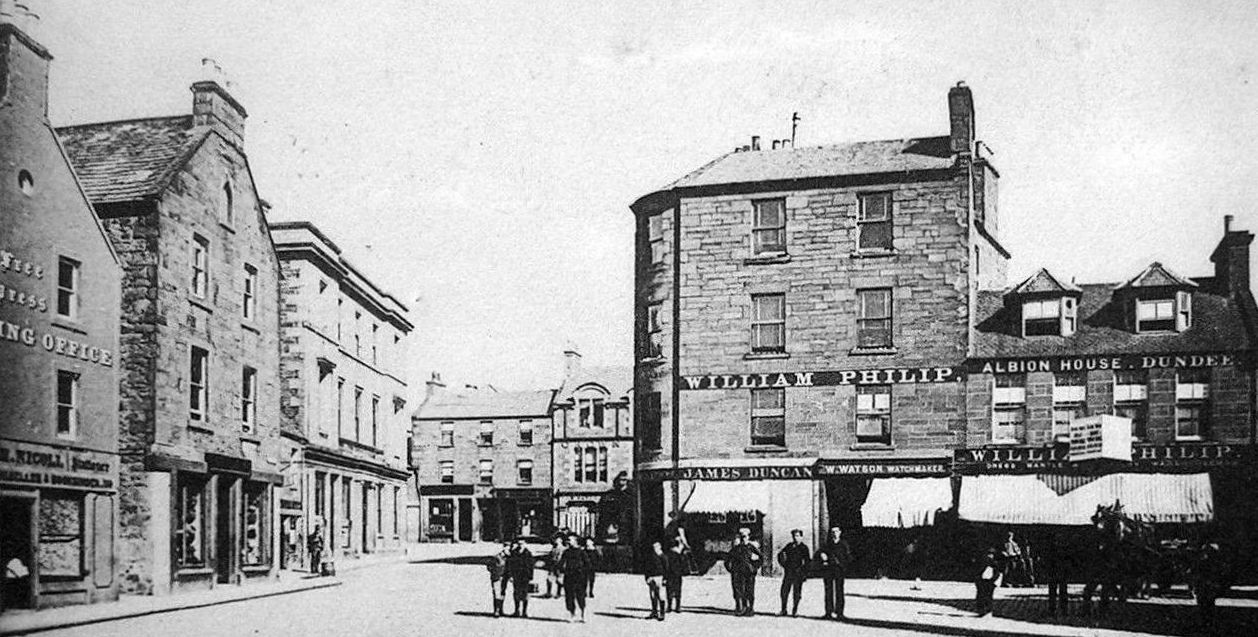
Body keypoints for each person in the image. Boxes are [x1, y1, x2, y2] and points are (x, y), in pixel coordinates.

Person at [816, 526, 853, 621]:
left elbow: (849, 557)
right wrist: (822, 555)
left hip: (839, 570)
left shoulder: (844, 544)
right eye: (832, 532)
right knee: (828, 591)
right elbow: (819, 553)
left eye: (836, 531)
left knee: (839, 591)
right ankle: (828, 612)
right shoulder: (827, 544)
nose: (834, 533)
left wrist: (843, 565)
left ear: (840, 532)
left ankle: (840, 613)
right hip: (828, 569)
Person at [725, 527, 762, 616]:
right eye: (742, 537)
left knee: (749, 590)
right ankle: (740, 608)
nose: (743, 539)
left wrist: (754, 568)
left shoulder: (752, 548)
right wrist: (731, 570)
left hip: (749, 572)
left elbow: (760, 559)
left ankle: (750, 609)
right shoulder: (736, 549)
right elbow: (727, 560)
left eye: (745, 537)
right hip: (738, 573)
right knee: (738, 590)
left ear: (748, 537)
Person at [1194, 542, 1229, 629]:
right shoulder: (1211, 563)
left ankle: (1206, 622)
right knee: (1206, 605)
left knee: (1205, 605)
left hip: (1206, 588)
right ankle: (1207, 622)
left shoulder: (1205, 563)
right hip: (1206, 588)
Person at [558, 534, 592, 622]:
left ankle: (583, 614)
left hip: (580, 578)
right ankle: (572, 614)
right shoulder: (566, 552)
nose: (568, 541)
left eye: (570, 540)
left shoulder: (581, 552)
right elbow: (561, 564)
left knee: (580, 596)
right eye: (568, 540)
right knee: (569, 596)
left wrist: (584, 575)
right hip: (569, 577)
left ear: (575, 541)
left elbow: (588, 565)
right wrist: (560, 574)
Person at [777, 529, 811, 616]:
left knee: (797, 593)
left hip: (798, 573)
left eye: (798, 536)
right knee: (784, 591)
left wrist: (804, 573)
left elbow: (807, 562)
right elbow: (781, 554)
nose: (796, 538)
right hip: (789, 572)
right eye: (794, 536)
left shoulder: (804, 548)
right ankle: (783, 609)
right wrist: (783, 565)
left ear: (801, 537)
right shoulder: (789, 546)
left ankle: (795, 610)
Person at [1041, 532, 1069, 616]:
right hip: (1054, 573)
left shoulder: (1061, 550)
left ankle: (1062, 609)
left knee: (1061, 592)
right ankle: (1054, 609)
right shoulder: (1053, 550)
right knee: (1055, 592)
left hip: (1059, 573)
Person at [506, 538, 534, 617]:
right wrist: (510, 575)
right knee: (516, 593)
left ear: (525, 544)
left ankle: (524, 612)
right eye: (519, 543)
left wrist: (530, 577)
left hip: (525, 577)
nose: (520, 545)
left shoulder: (528, 553)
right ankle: (516, 611)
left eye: (522, 543)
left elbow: (531, 566)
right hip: (516, 576)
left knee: (525, 594)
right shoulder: (514, 553)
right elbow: (510, 565)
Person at [642, 540, 668, 621]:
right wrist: (647, 577)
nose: (654, 549)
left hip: (660, 577)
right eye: (653, 547)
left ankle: (662, 613)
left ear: (660, 547)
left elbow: (666, 568)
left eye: (656, 547)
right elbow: (646, 568)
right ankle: (654, 612)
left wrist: (665, 578)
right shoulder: (649, 557)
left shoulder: (663, 556)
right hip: (651, 578)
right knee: (653, 595)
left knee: (661, 595)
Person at [975, 546, 1000, 617]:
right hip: (986, 581)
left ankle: (984, 610)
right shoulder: (991, 562)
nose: (990, 556)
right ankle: (985, 610)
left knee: (984, 596)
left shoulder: (991, 563)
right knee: (985, 596)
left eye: (991, 554)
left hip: (987, 581)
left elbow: (997, 573)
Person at [487, 542, 510, 617]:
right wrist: (495, 573)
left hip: (505, 578)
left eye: (509, 547)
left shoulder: (509, 558)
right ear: (503, 548)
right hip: (497, 578)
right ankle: (496, 610)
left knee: (502, 593)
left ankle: (501, 609)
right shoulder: (497, 557)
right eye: (506, 547)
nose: (508, 549)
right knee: (497, 593)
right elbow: (489, 566)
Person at [664, 537, 687, 612]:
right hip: (678, 573)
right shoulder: (680, 554)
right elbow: (684, 563)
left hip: (669, 573)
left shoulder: (668, 553)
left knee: (669, 589)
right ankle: (677, 606)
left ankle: (669, 606)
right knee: (678, 590)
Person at [546, 534, 566, 598]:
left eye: (557, 539)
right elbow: (550, 557)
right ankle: (549, 592)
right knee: (549, 579)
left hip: (559, 565)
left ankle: (558, 593)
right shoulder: (553, 548)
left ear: (561, 540)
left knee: (559, 580)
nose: (556, 541)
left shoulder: (563, 549)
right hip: (552, 565)